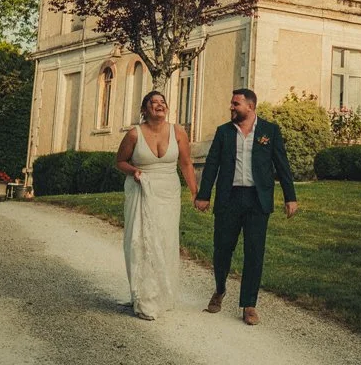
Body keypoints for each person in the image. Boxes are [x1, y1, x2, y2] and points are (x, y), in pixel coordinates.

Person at [194, 88, 298, 326]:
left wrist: (290, 197)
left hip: (257, 200)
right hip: (229, 198)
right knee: (222, 249)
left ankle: (249, 305)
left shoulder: (269, 131)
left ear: (250, 107)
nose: (231, 107)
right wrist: (204, 194)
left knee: (254, 252)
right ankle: (220, 289)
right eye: (232, 103)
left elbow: (282, 165)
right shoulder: (223, 132)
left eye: (235, 104)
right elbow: (212, 165)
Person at [116, 89, 197, 320]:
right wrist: (134, 171)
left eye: (162, 102)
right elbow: (120, 161)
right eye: (153, 102)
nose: (159, 105)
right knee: (141, 241)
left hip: (168, 193)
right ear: (144, 109)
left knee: (165, 240)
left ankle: (162, 295)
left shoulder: (178, 131)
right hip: (141, 190)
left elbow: (186, 163)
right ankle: (144, 299)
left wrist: (194, 192)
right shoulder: (134, 134)